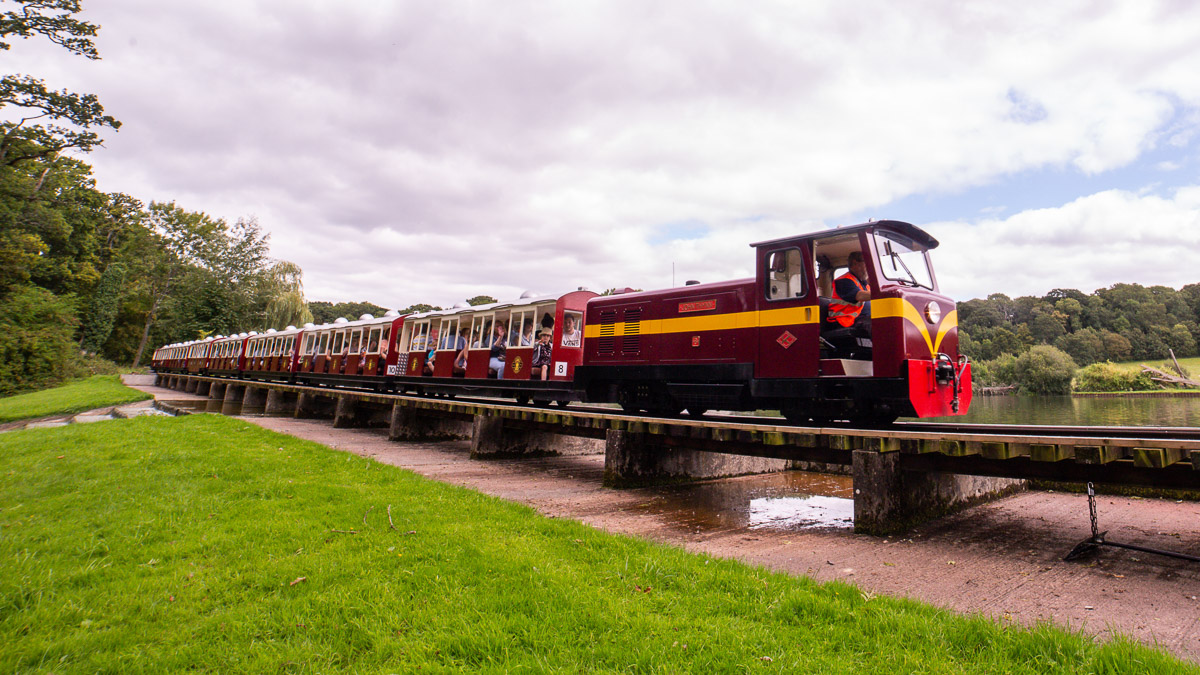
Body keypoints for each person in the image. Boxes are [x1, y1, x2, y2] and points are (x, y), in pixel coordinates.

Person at [828, 251, 872, 330]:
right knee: (876, 324)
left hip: (860, 319)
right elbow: (859, 295)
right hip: (845, 321)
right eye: (866, 262)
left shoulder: (864, 284)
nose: (869, 266)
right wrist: (881, 293)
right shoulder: (843, 281)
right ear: (855, 263)